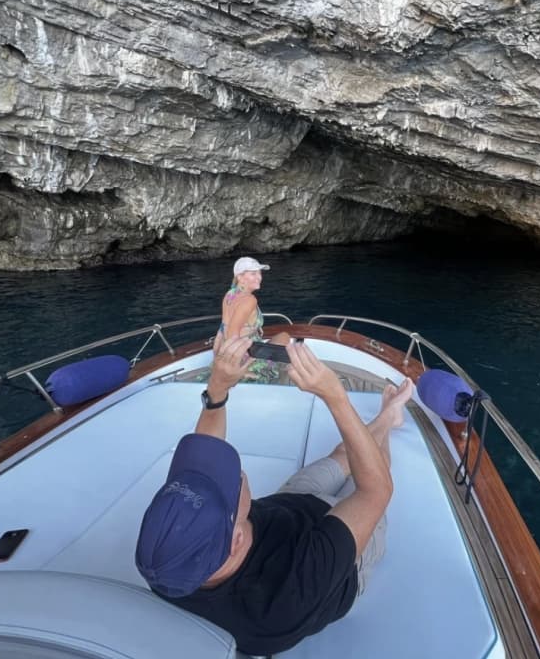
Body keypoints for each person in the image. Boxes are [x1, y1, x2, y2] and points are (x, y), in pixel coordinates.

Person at [135, 335, 413, 656]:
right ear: (237, 540)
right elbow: (375, 490)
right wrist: (334, 395)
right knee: (371, 472)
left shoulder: (166, 564)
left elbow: (205, 450)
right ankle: (390, 422)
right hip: (338, 560)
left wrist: (218, 389)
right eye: (230, 482)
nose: (233, 471)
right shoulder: (291, 591)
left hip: (288, 508)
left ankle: (386, 417)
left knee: (342, 455)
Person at [213, 256, 290, 354]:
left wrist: (254, 329)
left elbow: (225, 326)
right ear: (240, 277)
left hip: (225, 347)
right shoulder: (249, 300)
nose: (259, 277)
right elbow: (232, 335)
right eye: (253, 274)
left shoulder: (230, 294)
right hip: (247, 354)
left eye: (259, 273)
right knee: (284, 336)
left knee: (283, 336)